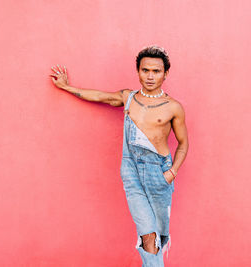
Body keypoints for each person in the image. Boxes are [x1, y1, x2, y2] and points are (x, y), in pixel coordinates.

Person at [49, 45, 189, 266]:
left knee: (160, 235)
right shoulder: (129, 98)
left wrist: (172, 172)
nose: (150, 76)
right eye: (145, 71)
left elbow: (183, 143)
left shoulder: (173, 107)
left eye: (156, 71)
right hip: (132, 172)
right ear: (138, 71)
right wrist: (67, 87)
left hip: (159, 173)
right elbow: (99, 97)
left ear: (165, 74)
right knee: (148, 236)